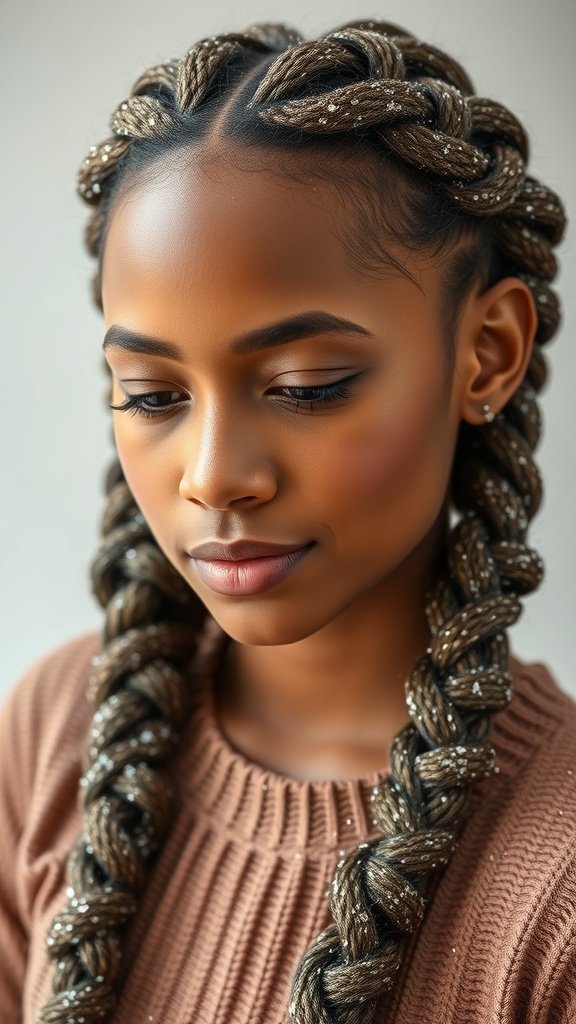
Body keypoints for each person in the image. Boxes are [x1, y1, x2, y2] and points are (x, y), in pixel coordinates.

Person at [0, 17, 574, 1024]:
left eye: (309, 386)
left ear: (486, 354)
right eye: (151, 394)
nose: (216, 478)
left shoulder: (556, 883)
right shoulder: (53, 733)